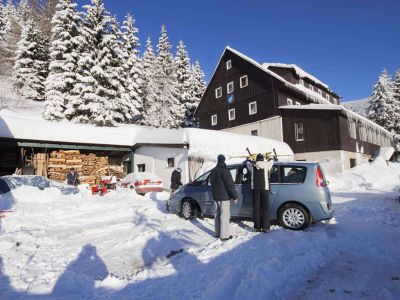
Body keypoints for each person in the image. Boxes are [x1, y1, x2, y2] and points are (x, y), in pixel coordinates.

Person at [209, 154, 238, 241]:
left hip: (216, 197)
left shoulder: (213, 171)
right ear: (224, 160)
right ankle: (224, 235)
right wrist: (235, 196)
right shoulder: (225, 170)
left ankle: (217, 233)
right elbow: (229, 185)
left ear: (218, 160)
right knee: (224, 216)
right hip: (224, 198)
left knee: (217, 215)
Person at [246, 153, 274, 233]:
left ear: (257, 159)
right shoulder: (267, 165)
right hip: (265, 189)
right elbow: (272, 161)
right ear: (262, 159)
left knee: (256, 208)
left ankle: (257, 227)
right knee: (265, 208)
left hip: (255, 189)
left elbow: (247, 162)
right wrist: (270, 157)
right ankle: (265, 227)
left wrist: (249, 158)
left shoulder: (252, 166)